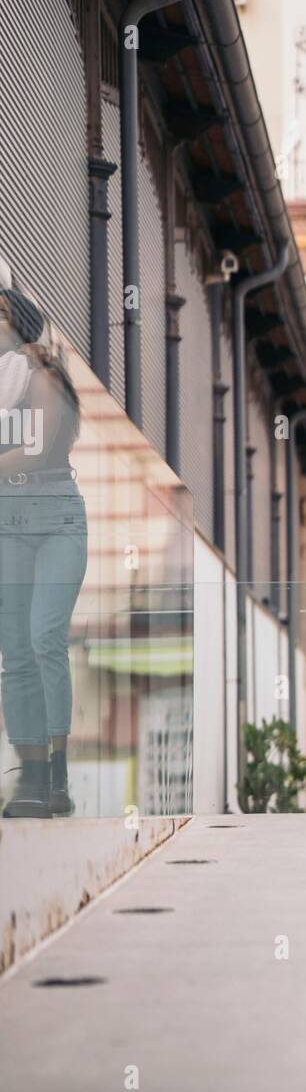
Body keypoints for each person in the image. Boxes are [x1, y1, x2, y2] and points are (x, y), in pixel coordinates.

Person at [0, 288, 86, 817]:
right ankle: (29, 774)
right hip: (8, 519)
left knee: (44, 637)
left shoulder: (43, 374)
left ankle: (58, 769)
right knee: (15, 653)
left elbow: (33, 448)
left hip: (57, 517)